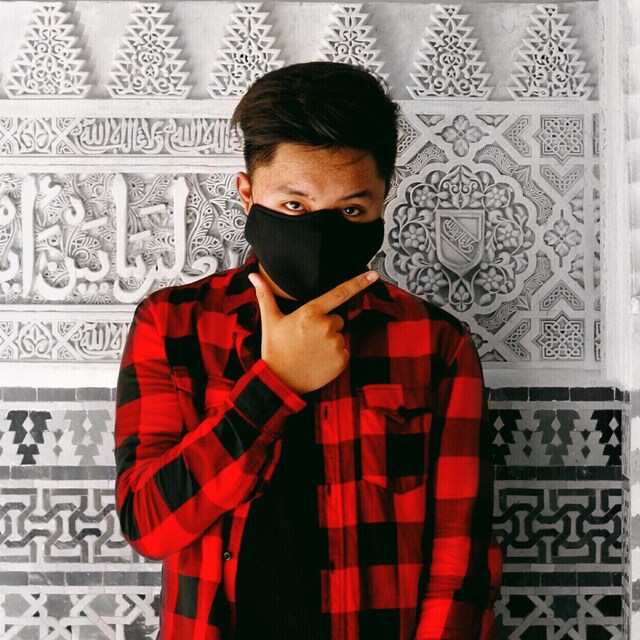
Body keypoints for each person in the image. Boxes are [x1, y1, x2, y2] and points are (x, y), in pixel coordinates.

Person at [114, 60, 502, 640]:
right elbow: (149, 525)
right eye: (294, 206)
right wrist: (276, 385)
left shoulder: (435, 343)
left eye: (350, 211)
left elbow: (460, 558)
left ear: (382, 202)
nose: (321, 231)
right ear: (248, 194)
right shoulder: (173, 326)